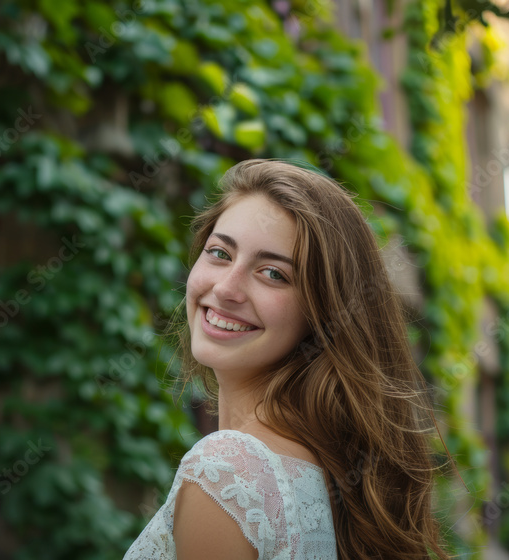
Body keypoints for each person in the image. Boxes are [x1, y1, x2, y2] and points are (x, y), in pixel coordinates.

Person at [123, 159, 450, 560]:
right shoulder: (326, 474)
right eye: (220, 253)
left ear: (323, 314)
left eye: (273, 273)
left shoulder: (227, 473)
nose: (226, 288)